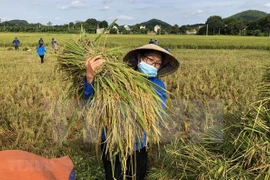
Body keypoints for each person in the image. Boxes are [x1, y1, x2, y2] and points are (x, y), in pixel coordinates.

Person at [84, 44, 179, 180]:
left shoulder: (158, 86)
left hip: (137, 145)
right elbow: (92, 105)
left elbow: (156, 117)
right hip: (111, 141)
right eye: (150, 60)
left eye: (157, 63)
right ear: (140, 58)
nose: (153, 65)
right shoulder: (116, 78)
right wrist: (89, 77)